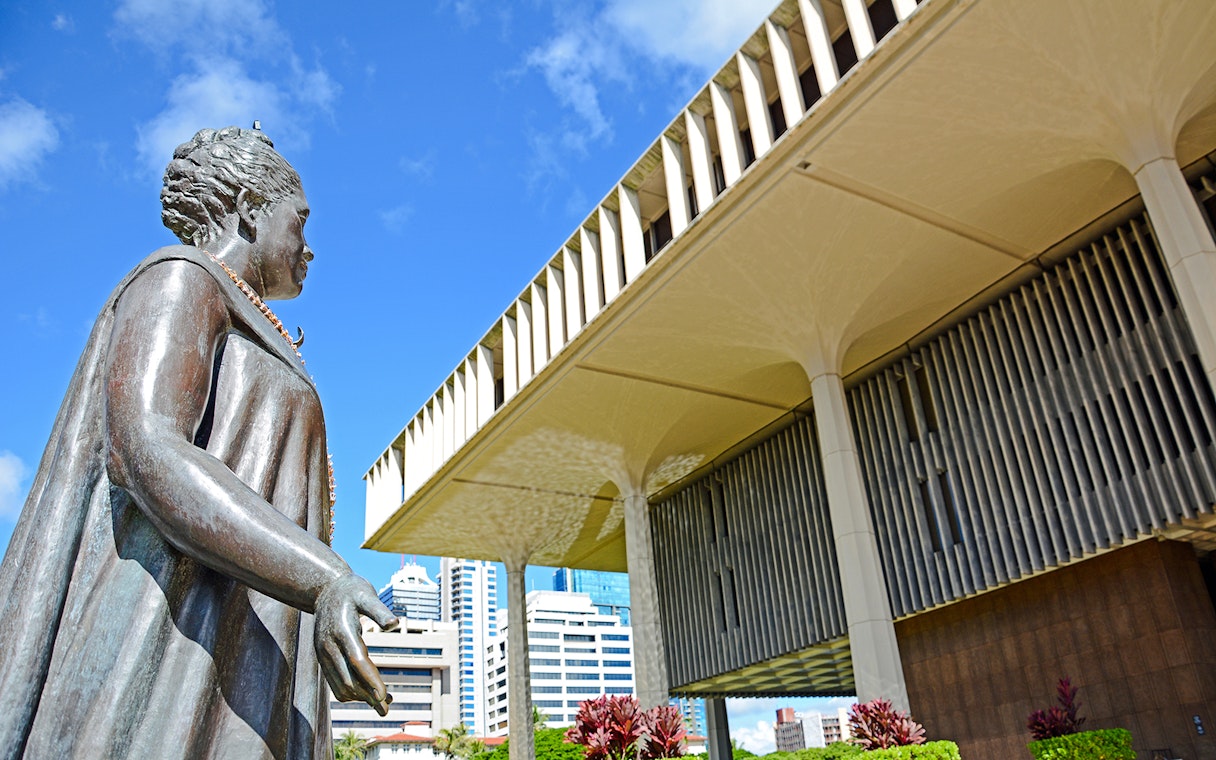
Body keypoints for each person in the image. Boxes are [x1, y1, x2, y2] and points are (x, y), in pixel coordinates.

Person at [0, 126, 397, 759]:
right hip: (170, 633)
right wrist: (324, 579)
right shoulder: (180, 278)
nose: (309, 247)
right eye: (299, 222)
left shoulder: (247, 319)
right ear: (247, 210)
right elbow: (147, 449)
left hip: (243, 643)